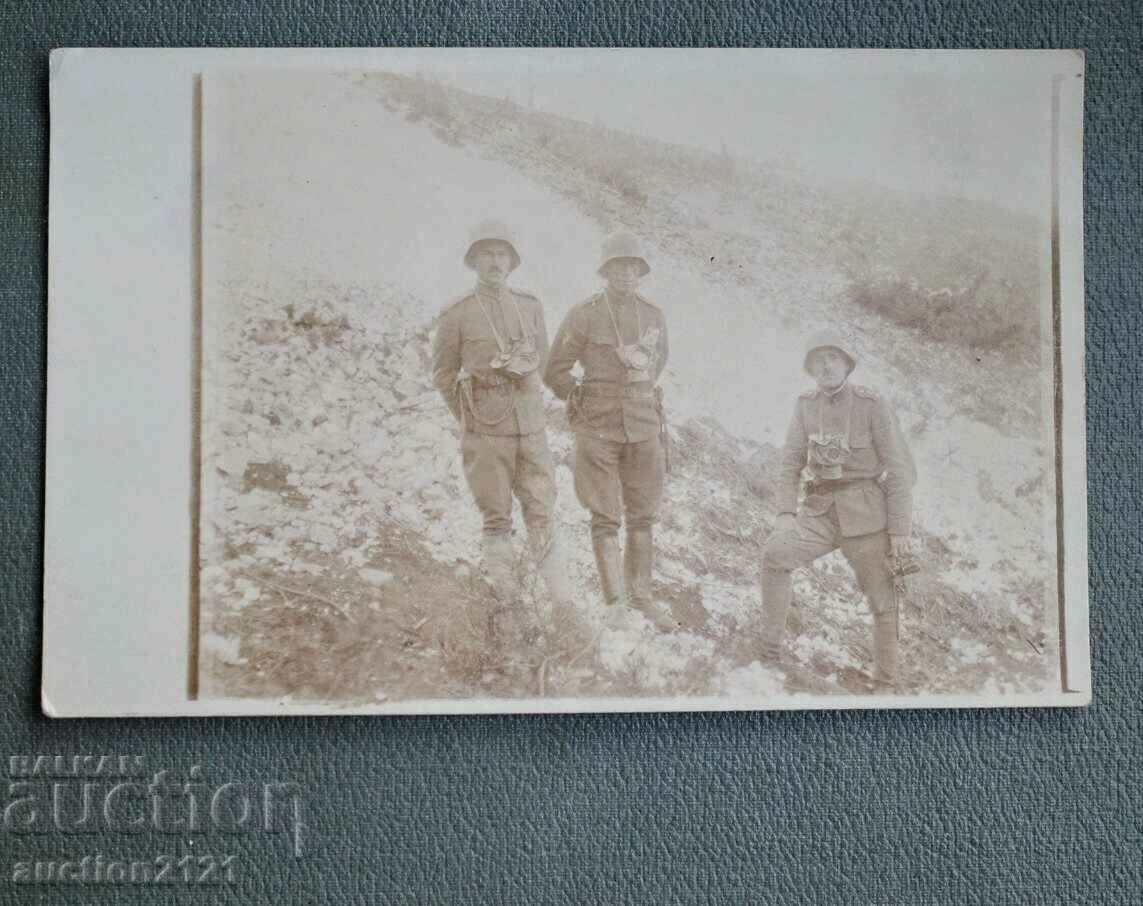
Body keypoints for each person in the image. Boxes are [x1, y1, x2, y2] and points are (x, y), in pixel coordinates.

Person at [431, 220, 572, 631]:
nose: (495, 262)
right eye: (486, 254)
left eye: (501, 254)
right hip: (485, 431)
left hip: (531, 429)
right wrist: (469, 418)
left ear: (512, 262)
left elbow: (542, 363)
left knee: (542, 511)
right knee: (496, 517)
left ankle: (562, 602)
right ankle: (508, 602)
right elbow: (443, 375)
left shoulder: (529, 306)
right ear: (473, 261)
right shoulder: (456, 314)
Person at [757, 329, 916, 689]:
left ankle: (887, 684)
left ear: (847, 363)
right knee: (775, 555)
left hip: (868, 518)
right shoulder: (805, 405)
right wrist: (785, 513)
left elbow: (901, 469)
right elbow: (790, 462)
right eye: (817, 361)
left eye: (833, 358)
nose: (825, 366)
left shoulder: (871, 404)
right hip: (819, 513)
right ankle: (768, 654)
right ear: (810, 369)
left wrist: (900, 530)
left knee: (882, 598)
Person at [543, 233, 676, 632]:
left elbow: (658, 363)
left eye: (632, 267)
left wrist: (636, 393)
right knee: (604, 515)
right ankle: (615, 601)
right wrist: (579, 399)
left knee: (643, 514)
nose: (626, 274)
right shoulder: (584, 314)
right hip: (598, 426)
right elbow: (555, 369)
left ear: (641, 273)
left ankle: (642, 595)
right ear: (606, 272)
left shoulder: (653, 315)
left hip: (643, 424)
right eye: (618, 267)